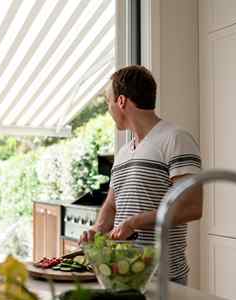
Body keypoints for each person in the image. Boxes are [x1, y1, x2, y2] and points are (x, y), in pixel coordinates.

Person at [79, 65, 203, 285]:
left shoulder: (175, 139)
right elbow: (112, 205)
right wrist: (96, 231)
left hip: (163, 279)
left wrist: (134, 223)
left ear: (122, 102)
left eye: (109, 102)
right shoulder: (124, 152)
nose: (108, 110)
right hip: (120, 274)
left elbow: (191, 207)